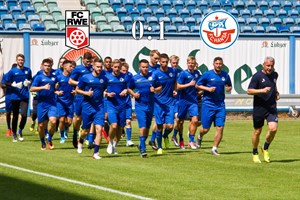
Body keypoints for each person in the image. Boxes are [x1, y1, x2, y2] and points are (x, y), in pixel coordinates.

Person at [196, 57, 232, 156]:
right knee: (205, 128)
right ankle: (199, 136)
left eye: (220, 63)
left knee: (220, 127)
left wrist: (228, 88)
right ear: (213, 64)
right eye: (217, 63)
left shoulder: (225, 75)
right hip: (208, 104)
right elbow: (197, 85)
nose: (218, 65)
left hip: (220, 105)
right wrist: (207, 89)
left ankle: (214, 148)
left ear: (222, 64)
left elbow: (229, 85)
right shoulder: (207, 74)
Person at [247, 56, 279, 163]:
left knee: (273, 128)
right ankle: (255, 152)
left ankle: (265, 148)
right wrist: (262, 91)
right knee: (257, 131)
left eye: (272, 66)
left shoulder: (275, 74)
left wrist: (276, 93)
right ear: (263, 65)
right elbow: (249, 91)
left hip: (271, 108)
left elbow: (274, 85)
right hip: (259, 108)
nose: (270, 68)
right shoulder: (257, 76)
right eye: (268, 66)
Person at [128, 59, 162, 157]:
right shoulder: (135, 78)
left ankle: (141, 144)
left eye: (146, 67)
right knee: (142, 127)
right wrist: (134, 94)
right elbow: (129, 88)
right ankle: (143, 149)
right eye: (143, 67)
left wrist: (154, 89)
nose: (145, 69)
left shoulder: (153, 76)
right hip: (140, 106)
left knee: (147, 128)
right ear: (139, 67)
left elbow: (160, 87)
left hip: (151, 105)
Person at [76, 58, 107, 159]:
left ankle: (96, 153)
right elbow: (77, 90)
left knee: (99, 129)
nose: (99, 68)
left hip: (99, 107)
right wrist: (86, 93)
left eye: (100, 67)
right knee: (85, 130)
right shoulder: (85, 78)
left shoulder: (104, 78)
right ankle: (80, 140)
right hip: (87, 107)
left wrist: (106, 93)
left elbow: (105, 89)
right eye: (97, 67)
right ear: (93, 66)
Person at [30, 58, 58, 150]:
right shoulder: (38, 77)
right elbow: (32, 89)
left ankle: (49, 138)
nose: (47, 67)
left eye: (49, 66)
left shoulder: (54, 77)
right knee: (41, 126)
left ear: (51, 66)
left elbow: (54, 89)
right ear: (42, 66)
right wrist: (43, 87)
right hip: (41, 103)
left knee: (53, 121)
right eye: (45, 66)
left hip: (52, 103)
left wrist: (56, 91)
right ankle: (42, 142)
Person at [152, 53, 177, 154]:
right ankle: (159, 147)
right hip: (159, 103)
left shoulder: (172, 71)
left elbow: (175, 82)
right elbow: (152, 88)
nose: (165, 64)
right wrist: (155, 90)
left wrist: (175, 90)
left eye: (166, 62)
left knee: (170, 126)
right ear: (159, 62)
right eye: (163, 62)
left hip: (170, 103)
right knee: (159, 126)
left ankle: (165, 136)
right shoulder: (156, 74)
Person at [5, 54, 32, 142]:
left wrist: (28, 82)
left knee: (24, 115)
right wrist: (12, 84)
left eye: (22, 60)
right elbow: (5, 81)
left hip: (24, 96)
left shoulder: (28, 70)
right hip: (15, 96)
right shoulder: (12, 71)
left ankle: (20, 130)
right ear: (16, 61)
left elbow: (31, 80)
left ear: (24, 61)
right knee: (15, 116)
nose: (21, 61)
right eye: (19, 60)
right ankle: (14, 133)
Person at [105, 59, 129, 154]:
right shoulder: (107, 77)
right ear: (112, 67)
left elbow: (130, 88)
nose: (117, 69)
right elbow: (103, 90)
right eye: (115, 67)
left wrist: (126, 91)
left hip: (122, 105)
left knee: (120, 128)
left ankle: (115, 145)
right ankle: (110, 143)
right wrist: (107, 94)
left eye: (119, 67)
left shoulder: (125, 77)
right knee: (113, 125)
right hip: (111, 105)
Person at [69, 52, 93, 148]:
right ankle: (75, 133)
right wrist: (81, 83)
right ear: (83, 59)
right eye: (86, 61)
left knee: (90, 117)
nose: (88, 63)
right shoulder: (78, 69)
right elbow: (70, 81)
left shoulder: (92, 68)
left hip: (90, 96)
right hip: (80, 96)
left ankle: (88, 139)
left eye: (89, 61)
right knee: (78, 118)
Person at [177, 56, 201, 149]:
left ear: (195, 64)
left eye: (193, 63)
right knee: (180, 121)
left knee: (195, 120)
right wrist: (189, 84)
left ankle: (191, 141)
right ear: (187, 64)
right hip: (183, 100)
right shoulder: (183, 74)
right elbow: (178, 86)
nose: (191, 65)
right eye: (189, 63)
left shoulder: (197, 73)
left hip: (193, 101)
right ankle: (181, 138)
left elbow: (198, 85)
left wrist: (200, 91)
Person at [56, 60, 75, 143]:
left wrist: (75, 91)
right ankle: (62, 135)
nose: (72, 68)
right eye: (70, 66)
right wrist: (57, 91)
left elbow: (78, 87)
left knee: (70, 122)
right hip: (60, 102)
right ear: (65, 67)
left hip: (70, 102)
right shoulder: (59, 77)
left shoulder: (73, 78)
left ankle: (65, 129)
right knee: (62, 119)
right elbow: (53, 88)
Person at [169, 55, 182, 147]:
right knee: (166, 124)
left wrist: (177, 91)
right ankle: (164, 136)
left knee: (178, 119)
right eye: (173, 63)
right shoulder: (167, 72)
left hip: (177, 100)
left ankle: (174, 136)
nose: (175, 64)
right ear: (170, 62)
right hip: (167, 101)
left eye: (176, 63)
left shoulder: (180, 73)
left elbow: (181, 85)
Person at [120, 62, 134, 147]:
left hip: (127, 102)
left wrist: (128, 91)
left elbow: (132, 87)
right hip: (118, 103)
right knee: (119, 124)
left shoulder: (129, 76)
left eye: (126, 70)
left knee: (128, 121)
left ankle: (128, 140)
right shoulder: (116, 78)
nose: (125, 72)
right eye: (123, 70)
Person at [1, 63, 17, 137]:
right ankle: (8, 128)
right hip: (9, 96)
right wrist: (10, 84)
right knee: (8, 112)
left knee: (15, 113)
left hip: (17, 96)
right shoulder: (7, 75)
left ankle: (14, 130)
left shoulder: (19, 75)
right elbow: (2, 84)